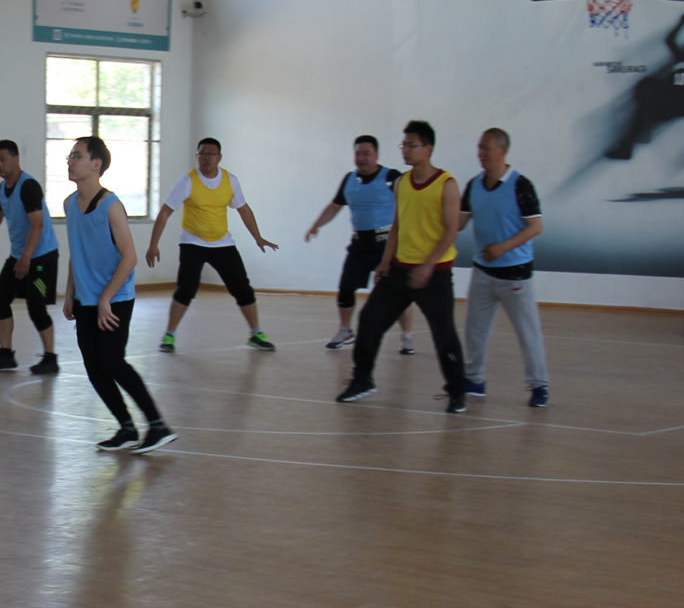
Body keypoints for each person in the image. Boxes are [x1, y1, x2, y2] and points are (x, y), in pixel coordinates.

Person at [336, 121, 469, 412]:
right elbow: (397, 224)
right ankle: (362, 380)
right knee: (369, 320)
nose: (405, 150)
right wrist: (386, 261)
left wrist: (427, 266)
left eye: (411, 145)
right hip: (399, 269)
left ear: (428, 148)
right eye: (403, 145)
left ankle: (457, 391)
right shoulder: (402, 183)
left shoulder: (446, 184)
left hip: (435, 272)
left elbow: (451, 231)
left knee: (444, 332)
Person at [63, 136, 175, 454]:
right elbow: (77, 252)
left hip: (115, 299)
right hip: (86, 299)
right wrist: (70, 293)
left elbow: (130, 257)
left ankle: (158, 425)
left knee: (112, 361)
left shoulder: (111, 206)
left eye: (77, 156)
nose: (70, 161)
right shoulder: (70, 204)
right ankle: (126, 428)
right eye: (69, 156)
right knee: (94, 367)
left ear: (96, 164)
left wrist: (105, 299)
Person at [146, 138, 279, 352]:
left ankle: (256, 334)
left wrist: (258, 237)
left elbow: (244, 209)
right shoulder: (187, 181)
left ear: (219, 158)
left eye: (211, 154)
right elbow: (164, 212)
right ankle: (169, 336)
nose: (206, 158)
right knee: (186, 289)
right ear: (197, 156)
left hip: (223, 244)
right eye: (202, 154)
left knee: (243, 289)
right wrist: (153, 245)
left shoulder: (230, 180)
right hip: (192, 243)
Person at [458, 128, 548, 408]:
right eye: (479, 147)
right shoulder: (473, 185)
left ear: (503, 150)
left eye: (486, 147)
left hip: (516, 276)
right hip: (482, 273)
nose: (481, 153)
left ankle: (539, 385)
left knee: (528, 333)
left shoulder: (521, 185)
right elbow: (458, 222)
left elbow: (536, 226)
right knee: (475, 330)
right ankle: (474, 379)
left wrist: (503, 247)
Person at [304, 135, 418, 353]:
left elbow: (411, 204)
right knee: (346, 288)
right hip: (359, 246)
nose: (362, 158)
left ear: (376, 155)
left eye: (367, 153)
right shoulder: (349, 180)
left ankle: (407, 335)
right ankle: (345, 330)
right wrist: (316, 225)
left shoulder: (392, 177)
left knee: (398, 293)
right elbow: (335, 206)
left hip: (387, 246)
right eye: (358, 154)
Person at [0, 140, 60, 373]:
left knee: (36, 308)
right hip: (19, 257)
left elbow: (37, 224)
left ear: (16, 159)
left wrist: (27, 256)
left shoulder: (29, 186)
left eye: (3, 159)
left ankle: (50, 358)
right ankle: (5, 355)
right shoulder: (3, 188)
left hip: (41, 259)